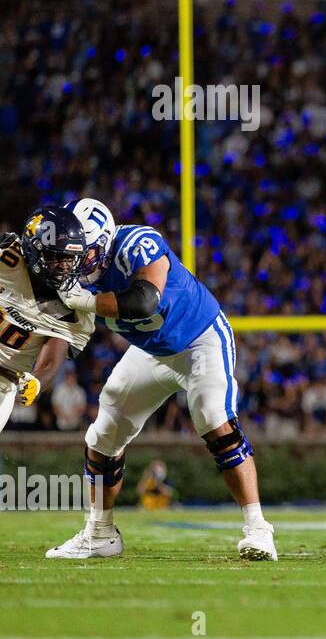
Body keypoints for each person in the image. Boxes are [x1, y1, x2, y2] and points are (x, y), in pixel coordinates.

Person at [46, 198, 277, 561]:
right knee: (104, 432)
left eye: (83, 252)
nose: (74, 262)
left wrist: (86, 302)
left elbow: (144, 301)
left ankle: (258, 529)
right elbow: (62, 340)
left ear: (103, 243)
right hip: (152, 351)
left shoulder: (137, 243)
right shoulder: (70, 276)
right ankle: (100, 534)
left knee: (214, 418)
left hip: (200, 338)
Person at [0, 208, 96, 435]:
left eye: (71, 258)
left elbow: (52, 361)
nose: (65, 266)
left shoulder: (74, 308)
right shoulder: (7, 257)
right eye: (57, 256)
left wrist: (37, 382)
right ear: (33, 249)